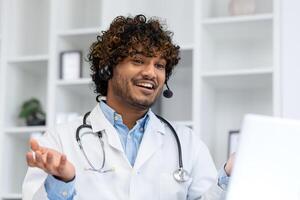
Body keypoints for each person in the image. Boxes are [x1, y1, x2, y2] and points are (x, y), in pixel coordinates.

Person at [22, 14, 233, 200]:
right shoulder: (60, 141)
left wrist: (229, 176)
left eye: (159, 65)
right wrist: (61, 183)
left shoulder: (187, 143)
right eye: (138, 60)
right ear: (107, 69)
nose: (151, 73)